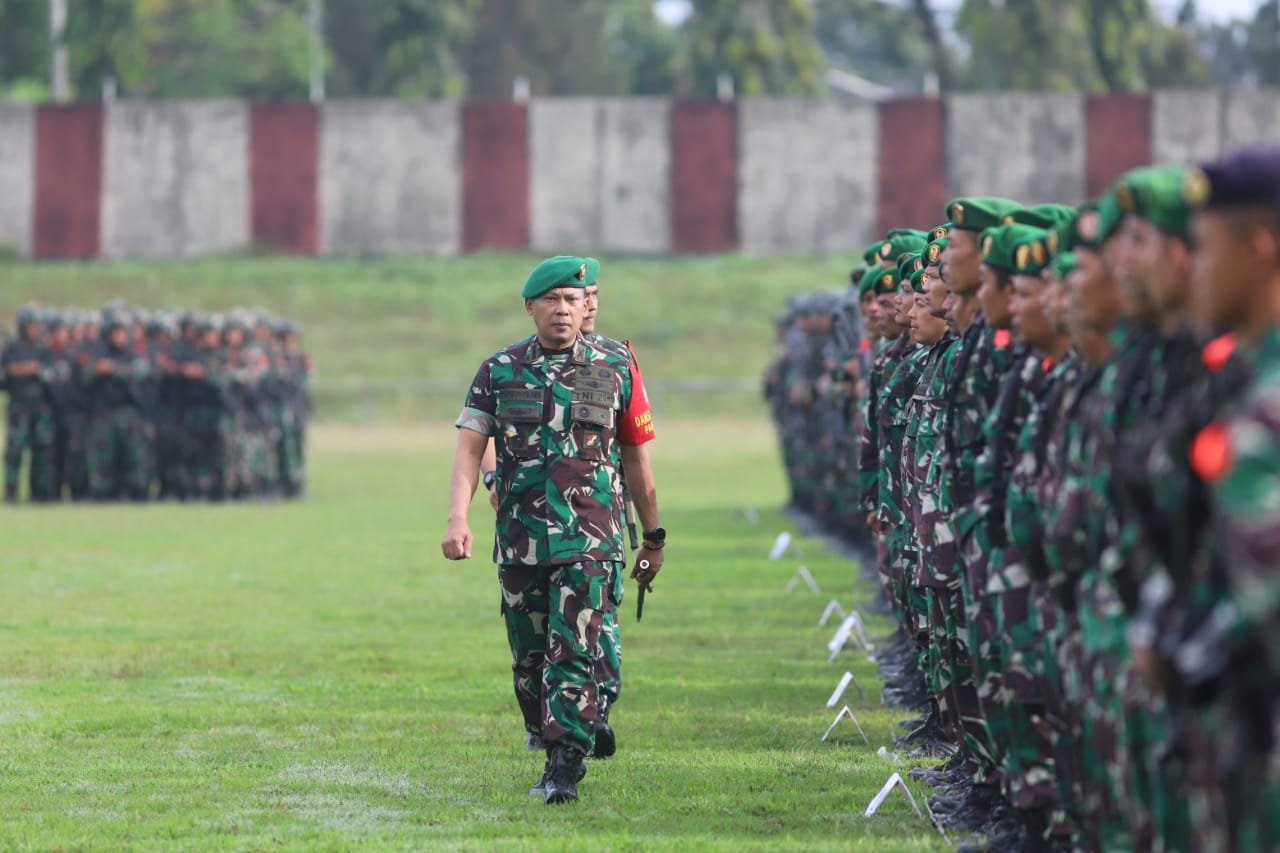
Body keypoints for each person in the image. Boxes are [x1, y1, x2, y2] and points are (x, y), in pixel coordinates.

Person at [441, 255, 663, 805]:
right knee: (530, 658)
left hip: (592, 536)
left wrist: (653, 537)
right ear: (531, 307)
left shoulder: (615, 363)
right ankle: (553, 730)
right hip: (520, 536)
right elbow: (471, 449)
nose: (563, 310)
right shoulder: (499, 368)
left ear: (584, 305)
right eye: (552, 300)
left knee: (575, 648)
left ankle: (564, 765)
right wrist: (457, 517)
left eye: (571, 299)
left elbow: (636, 458)